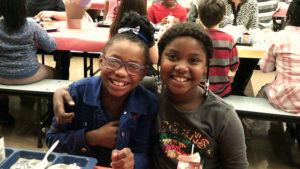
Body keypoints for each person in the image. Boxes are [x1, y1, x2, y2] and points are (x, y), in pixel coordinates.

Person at [52, 22, 248, 168]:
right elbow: (109, 82)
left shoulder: (224, 117)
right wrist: (62, 92)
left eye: (194, 60)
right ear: (159, 61)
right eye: (172, 57)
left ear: (206, 67)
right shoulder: (150, 89)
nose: (180, 67)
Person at [46, 12, 158, 168]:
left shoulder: (148, 103)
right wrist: (90, 138)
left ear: (143, 73)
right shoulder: (78, 93)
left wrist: (133, 162)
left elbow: (147, 153)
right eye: (113, 61)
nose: (120, 72)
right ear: (100, 61)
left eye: (133, 67)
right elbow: (52, 139)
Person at [0, 0, 56, 125]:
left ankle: (3, 113)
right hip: (28, 74)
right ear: (24, 7)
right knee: (52, 71)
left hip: (2, 76)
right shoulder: (32, 26)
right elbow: (51, 46)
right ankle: (51, 114)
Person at [256, 0, 300, 145]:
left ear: (289, 16)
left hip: (283, 96)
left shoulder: (278, 37)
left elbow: (264, 68)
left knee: (263, 90)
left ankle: (247, 128)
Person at [198, 0, 239, 97]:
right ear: (222, 18)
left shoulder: (195, 38)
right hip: (222, 91)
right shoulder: (229, 39)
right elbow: (234, 68)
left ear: (199, 17)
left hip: (197, 90)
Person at [220, 0, 259, 96]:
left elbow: (254, 27)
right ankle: (219, 87)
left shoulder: (252, 3)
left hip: (242, 43)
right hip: (221, 41)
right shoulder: (220, 2)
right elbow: (212, 22)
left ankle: (237, 89)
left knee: (253, 57)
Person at [110, 0, 159, 76]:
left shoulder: (115, 25)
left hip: (117, 71)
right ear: (143, 7)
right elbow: (155, 59)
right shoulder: (146, 27)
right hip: (142, 74)